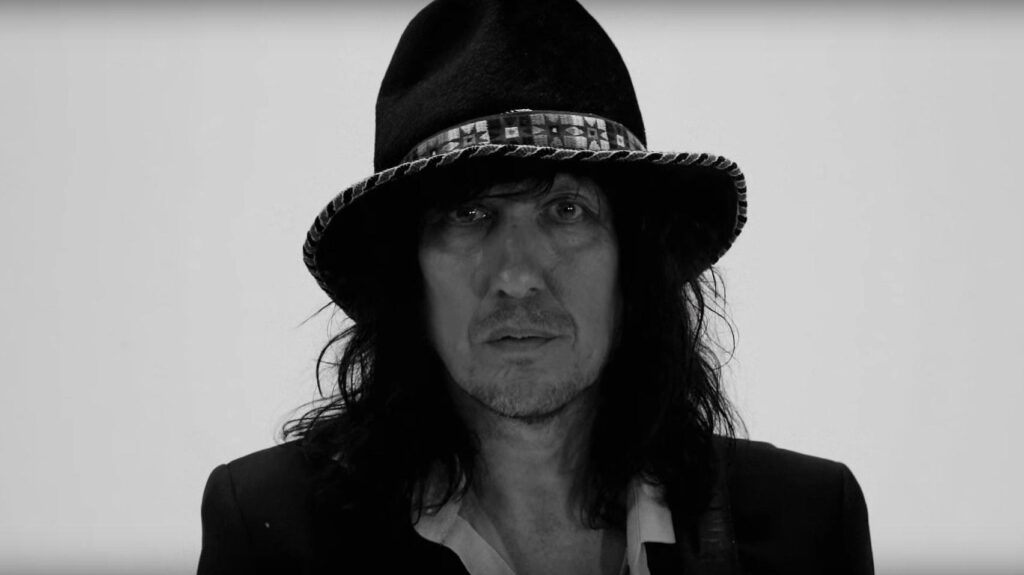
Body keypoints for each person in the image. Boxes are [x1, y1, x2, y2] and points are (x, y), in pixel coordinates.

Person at [198, 0, 873, 573]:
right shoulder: (274, 533)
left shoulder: (805, 526)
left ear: (632, 261)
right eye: (467, 214)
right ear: (410, 273)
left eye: (566, 210)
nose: (517, 276)